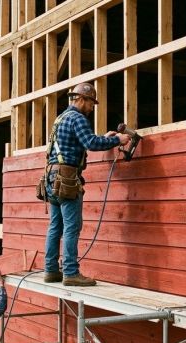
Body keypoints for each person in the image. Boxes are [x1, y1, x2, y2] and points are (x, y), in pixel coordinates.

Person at [44, 82, 131, 286]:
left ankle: (50, 270)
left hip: (51, 177)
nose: (92, 108)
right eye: (91, 103)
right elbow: (91, 144)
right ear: (81, 99)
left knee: (55, 226)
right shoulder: (79, 118)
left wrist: (104, 137)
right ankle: (71, 273)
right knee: (72, 227)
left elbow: (82, 141)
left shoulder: (61, 118)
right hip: (67, 178)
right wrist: (118, 139)